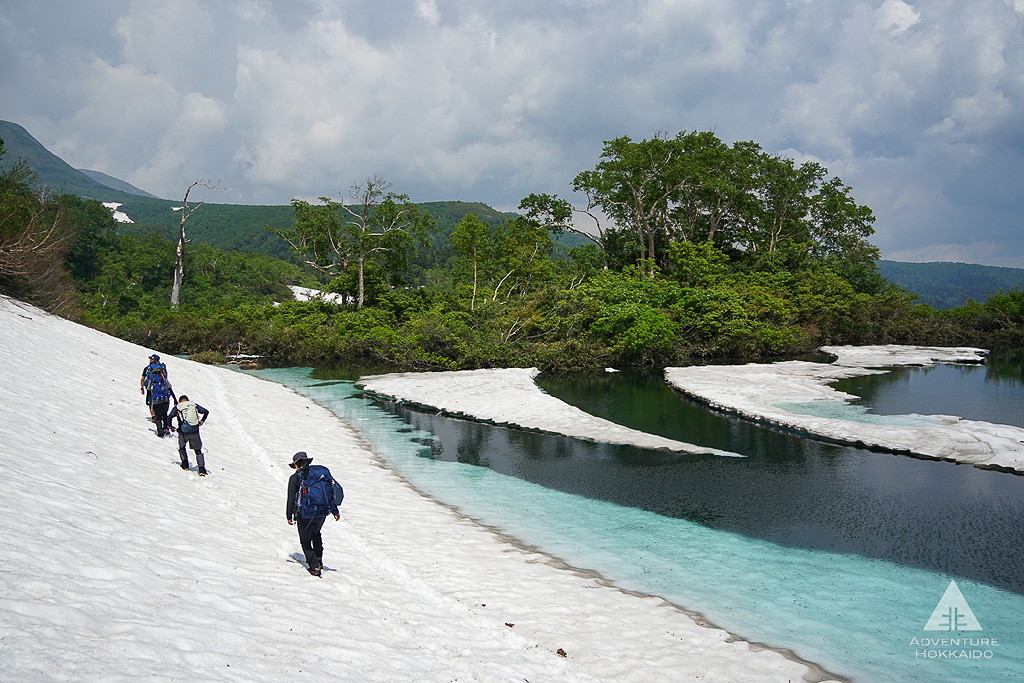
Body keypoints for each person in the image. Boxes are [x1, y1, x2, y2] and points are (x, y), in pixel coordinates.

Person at [286, 452, 340, 577]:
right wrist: (335, 510)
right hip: (322, 511)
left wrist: (289, 515)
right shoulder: (320, 474)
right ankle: (319, 560)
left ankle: (314, 567)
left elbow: (291, 499)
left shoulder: (295, 478)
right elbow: (330, 493)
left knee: (305, 540)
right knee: (316, 534)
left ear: (296, 465)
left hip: (305, 513)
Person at [168, 394, 210, 475]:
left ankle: (185, 464)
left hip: (183, 432)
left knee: (182, 447)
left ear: (180, 401)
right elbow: (206, 412)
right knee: (198, 450)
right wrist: (201, 421)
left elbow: (169, 417)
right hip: (195, 430)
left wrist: (171, 427)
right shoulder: (193, 405)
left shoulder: (178, 407)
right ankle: (202, 468)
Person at [147, 366, 176, 437]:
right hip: (165, 400)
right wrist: (175, 399)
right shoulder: (164, 379)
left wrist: (148, 399)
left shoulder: (152, 380)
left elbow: (148, 390)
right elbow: (170, 389)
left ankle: (160, 432)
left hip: (156, 400)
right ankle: (166, 428)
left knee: (158, 417)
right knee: (164, 414)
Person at [139, 354, 167, 422]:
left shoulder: (147, 368)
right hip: (161, 388)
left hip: (150, 388)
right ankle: (162, 416)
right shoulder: (161, 368)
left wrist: (142, 388)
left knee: (150, 401)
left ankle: (154, 417)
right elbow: (165, 378)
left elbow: (142, 379)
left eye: (151, 359)